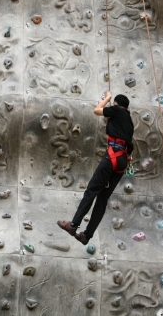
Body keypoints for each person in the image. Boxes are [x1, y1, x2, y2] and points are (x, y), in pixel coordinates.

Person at [57, 91, 134, 245]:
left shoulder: (116, 110)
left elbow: (97, 110)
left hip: (112, 156)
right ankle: (86, 235)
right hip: (122, 161)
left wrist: (106, 98)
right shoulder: (129, 121)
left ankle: (73, 226)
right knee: (102, 199)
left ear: (117, 105)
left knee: (91, 191)